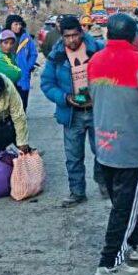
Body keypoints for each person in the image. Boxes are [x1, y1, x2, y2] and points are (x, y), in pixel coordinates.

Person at [87, 13, 138, 275]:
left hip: (103, 144)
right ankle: (109, 263)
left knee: (122, 202)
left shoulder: (95, 61)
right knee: (124, 207)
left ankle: (136, 243)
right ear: (134, 35)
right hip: (130, 147)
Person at [40, 15, 105, 207]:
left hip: (97, 110)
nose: (71, 40)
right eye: (67, 37)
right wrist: (65, 98)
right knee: (73, 156)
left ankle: (103, 183)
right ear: (62, 36)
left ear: (82, 33)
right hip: (71, 114)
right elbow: (47, 83)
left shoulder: (98, 49)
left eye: (75, 35)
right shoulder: (56, 56)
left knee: (102, 151)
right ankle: (77, 192)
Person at [0, 15, 38, 109]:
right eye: (16, 24)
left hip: (22, 75)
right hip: (5, 76)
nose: (18, 26)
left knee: (22, 105)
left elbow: (33, 54)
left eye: (20, 24)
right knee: (6, 105)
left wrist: (28, 66)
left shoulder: (26, 38)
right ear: (9, 25)